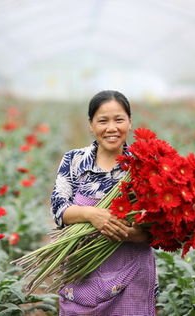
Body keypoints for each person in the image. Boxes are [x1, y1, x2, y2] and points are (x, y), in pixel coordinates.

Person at [50, 90, 157, 315]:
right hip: (81, 270)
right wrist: (92, 215)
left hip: (132, 273)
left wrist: (126, 233)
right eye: (102, 121)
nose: (111, 128)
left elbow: (158, 230)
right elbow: (59, 209)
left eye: (119, 119)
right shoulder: (74, 160)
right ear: (91, 125)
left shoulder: (144, 166)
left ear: (130, 122)